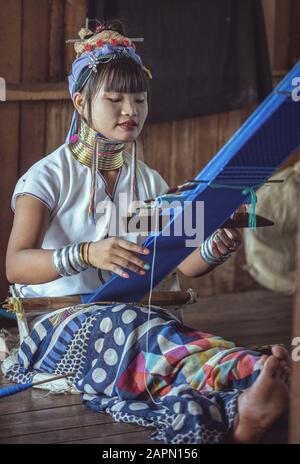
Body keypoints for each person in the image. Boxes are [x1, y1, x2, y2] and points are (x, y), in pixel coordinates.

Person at [2, 20, 290, 444]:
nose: (130, 111)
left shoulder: (149, 183)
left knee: (171, 336)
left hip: (129, 314)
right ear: (81, 102)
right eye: (115, 99)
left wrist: (214, 244)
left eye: (139, 98)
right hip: (56, 322)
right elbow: (15, 264)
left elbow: (184, 264)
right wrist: (86, 254)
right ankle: (245, 382)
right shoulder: (48, 178)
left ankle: (246, 382)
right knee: (140, 334)